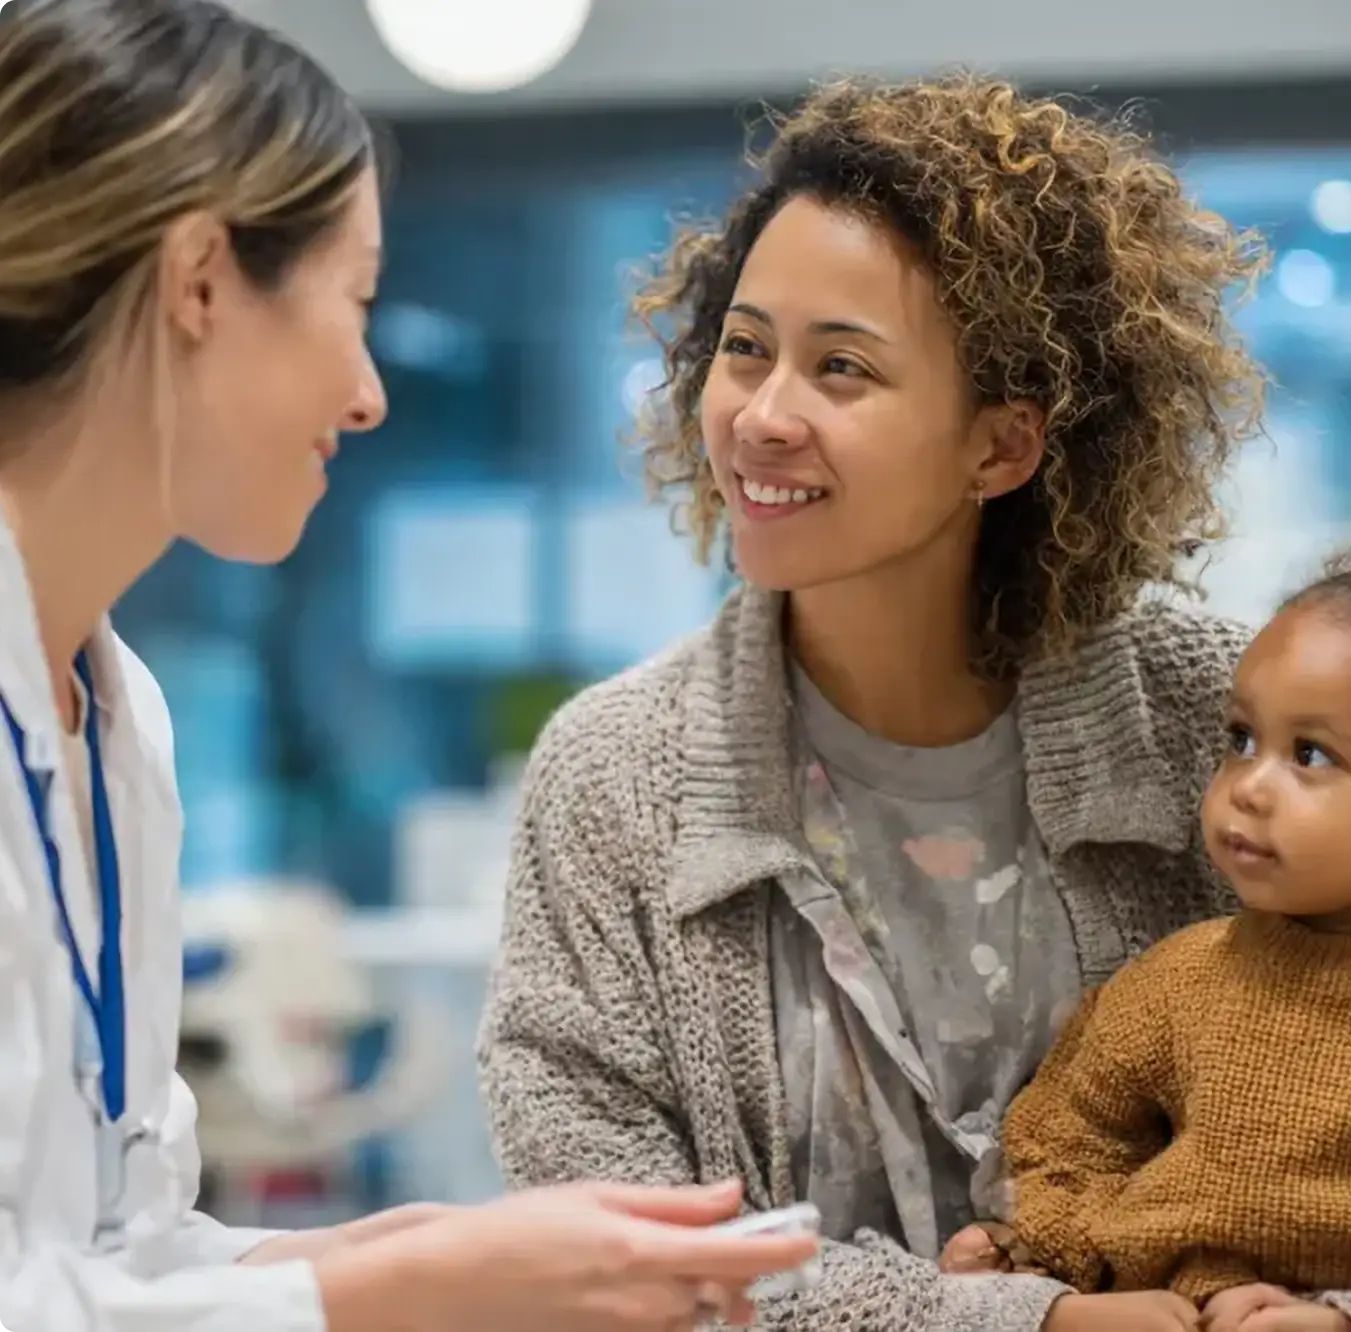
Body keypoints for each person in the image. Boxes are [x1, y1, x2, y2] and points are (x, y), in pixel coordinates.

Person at [477, 74, 1351, 1332]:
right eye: (744, 348)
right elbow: (607, 1240)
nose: (761, 416)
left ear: (1001, 446)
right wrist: (1029, 1322)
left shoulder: (1221, 729)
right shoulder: (614, 777)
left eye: (840, 366)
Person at [0, 3, 817, 1331]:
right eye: (355, 303)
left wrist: (453, 1248)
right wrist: (410, 1284)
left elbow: (112, 1249)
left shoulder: (117, 713)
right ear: (200, 281)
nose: (371, 392)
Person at [939, 450, 1351, 1332]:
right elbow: (1067, 1137)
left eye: (1312, 755)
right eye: (1243, 738)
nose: (1248, 783)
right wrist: (1043, 1250)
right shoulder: (1178, 979)